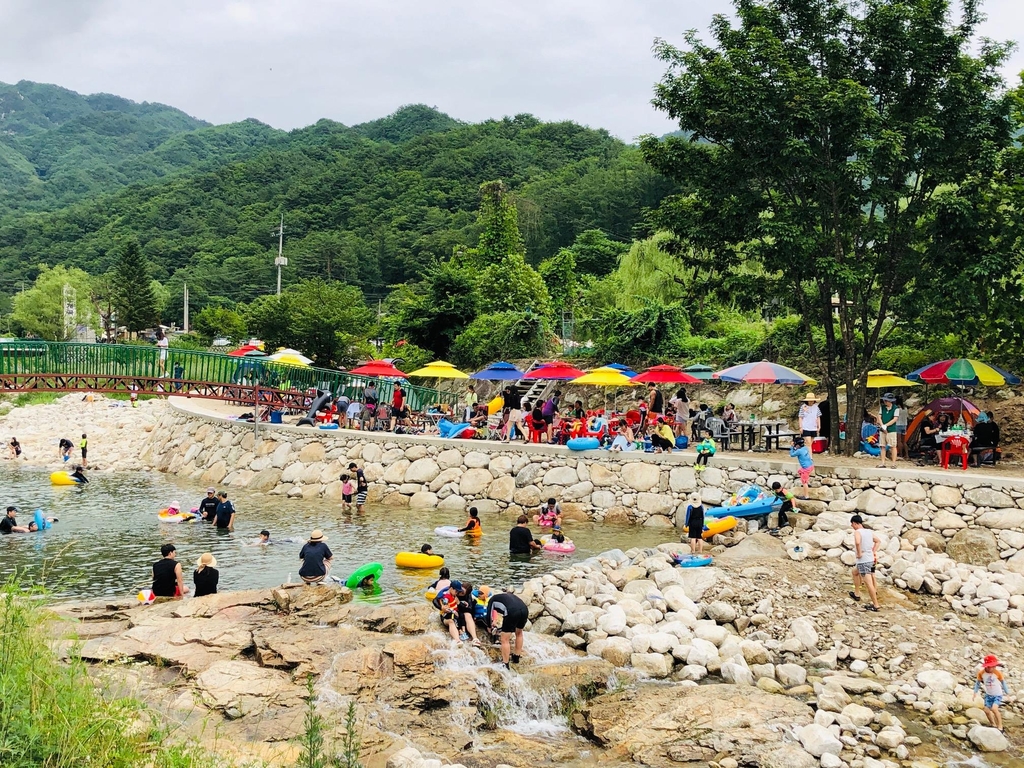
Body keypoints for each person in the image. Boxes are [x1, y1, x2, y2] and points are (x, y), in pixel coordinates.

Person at [487, 591, 529, 668]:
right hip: (524, 609)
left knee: (504, 639)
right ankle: (516, 657)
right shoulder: (508, 597)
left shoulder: (492, 600)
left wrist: (489, 627)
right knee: (519, 633)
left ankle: (505, 663)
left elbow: (488, 615)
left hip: (512, 612)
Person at [850, 515, 881, 611]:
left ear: (855, 523)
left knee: (868, 583)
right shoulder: (869, 531)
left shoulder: (857, 532)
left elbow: (858, 542)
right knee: (855, 572)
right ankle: (856, 593)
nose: (852, 526)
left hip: (863, 561)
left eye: (852, 524)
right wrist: (873, 551)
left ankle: (876, 605)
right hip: (870, 560)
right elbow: (878, 541)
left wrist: (859, 553)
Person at [437, 580, 481, 646]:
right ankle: (457, 640)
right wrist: (442, 607)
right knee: (451, 620)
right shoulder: (446, 592)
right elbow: (436, 601)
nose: (458, 593)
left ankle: (475, 638)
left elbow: (469, 609)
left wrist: (459, 603)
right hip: (449, 614)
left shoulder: (467, 596)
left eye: (461, 592)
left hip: (458, 613)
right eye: (458, 590)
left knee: (467, 615)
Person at [974, 654, 1010, 731]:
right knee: (986, 710)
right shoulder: (981, 673)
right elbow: (977, 683)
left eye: (994, 666)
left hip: (997, 694)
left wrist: (1007, 694)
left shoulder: (997, 673)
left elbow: (1003, 683)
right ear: (986, 666)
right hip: (988, 695)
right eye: (991, 666)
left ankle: (1000, 726)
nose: (993, 668)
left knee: (994, 709)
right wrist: (975, 692)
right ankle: (993, 724)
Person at [877, 393, 900, 468]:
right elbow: (879, 417)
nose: (885, 402)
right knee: (882, 446)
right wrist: (882, 425)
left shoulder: (896, 408)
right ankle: (883, 463)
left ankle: (893, 463)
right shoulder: (882, 407)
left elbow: (895, 419)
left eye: (886, 400)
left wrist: (886, 425)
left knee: (893, 446)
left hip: (891, 430)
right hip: (882, 429)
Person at [893, 393, 908, 459]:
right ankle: (907, 455)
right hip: (904, 425)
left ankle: (901, 454)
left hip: (898, 425)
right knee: (904, 441)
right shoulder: (905, 408)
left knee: (898, 441)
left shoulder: (896, 409)